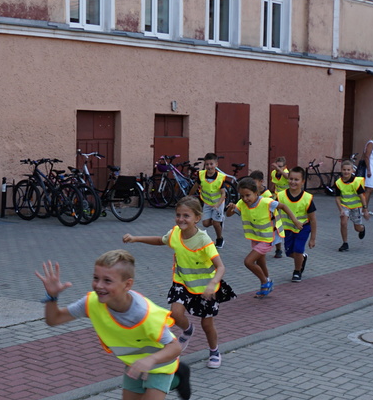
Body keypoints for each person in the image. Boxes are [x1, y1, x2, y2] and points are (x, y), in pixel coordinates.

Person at [37, 251, 189, 400]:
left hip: (161, 363)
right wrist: (51, 297)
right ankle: (179, 378)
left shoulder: (143, 313)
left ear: (128, 284)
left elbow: (175, 346)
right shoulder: (92, 303)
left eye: (107, 281)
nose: (99, 286)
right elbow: (54, 320)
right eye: (96, 278)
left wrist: (151, 361)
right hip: (134, 366)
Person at [122, 197, 225, 368]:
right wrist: (135, 238)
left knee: (207, 324)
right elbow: (160, 240)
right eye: (178, 215)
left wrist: (212, 283)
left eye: (186, 216)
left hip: (205, 287)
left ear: (197, 218)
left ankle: (214, 350)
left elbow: (220, 267)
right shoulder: (175, 233)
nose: (181, 219)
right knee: (175, 314)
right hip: (182, 283)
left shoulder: (204, 240)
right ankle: (187, 330)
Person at [225, 177, 298, 297]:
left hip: (267, 238)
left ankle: (265, 282)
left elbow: (283, 206)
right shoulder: (242, 203)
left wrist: (294, 220)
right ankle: (267, 282)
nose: (245, 199)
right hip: (256, 237)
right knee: (260, 261)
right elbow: (229, 215)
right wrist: (231, 208)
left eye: (248, 195)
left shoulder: (265, 202)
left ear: (256, 193)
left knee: (248, 262)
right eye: (242, 196)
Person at [276, 166, 317, 281]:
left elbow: (313, 220)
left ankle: (297, 271)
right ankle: (302, 258)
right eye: (291, 179)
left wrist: (313, 238)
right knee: (289, 253)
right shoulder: (280, 196)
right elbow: (273, 211)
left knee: (298, 249)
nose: (293, 182)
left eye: (296, 180)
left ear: (302, 181)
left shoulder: (307, 198)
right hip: (287, 229)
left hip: (302, 228)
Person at [196, 152, 229, 248]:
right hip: (207, 202)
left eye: (211, 164)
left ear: (216, 164)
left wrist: (218, 205)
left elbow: (223, 194)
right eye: (207, 164)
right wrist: (188, 196)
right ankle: (219, 220)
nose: (209, 166)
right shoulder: (201, 175)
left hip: (218, 203)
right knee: (205, 224)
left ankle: (219, 239)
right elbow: (195, 186)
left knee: (215, 223)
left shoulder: (220, 178)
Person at [333, 159, 368, 251]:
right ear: (341, 170)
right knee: (343, 223)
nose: (346, 172)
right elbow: (337, 198)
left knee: (357, 228)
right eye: (344, 169)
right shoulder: (338, 183)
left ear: (352, 171)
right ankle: (345, 243)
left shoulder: (356, 182)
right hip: (345, 206)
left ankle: (362, 228)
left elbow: (362, 196)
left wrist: (365, 209)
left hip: (356, 207)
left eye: (348, 170)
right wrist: (341, 209)